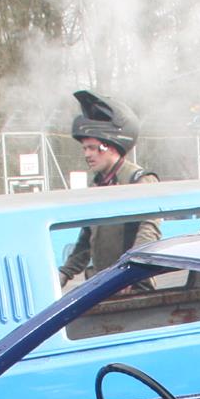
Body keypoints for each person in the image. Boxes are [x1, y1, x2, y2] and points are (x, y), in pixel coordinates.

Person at [57, 91, 160, 288]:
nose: (87, 155)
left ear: (111, 146)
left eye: (92, 148)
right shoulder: (97, 186)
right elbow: (86, 240)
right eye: (85, 148)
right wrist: (64, 273)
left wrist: (130, 272)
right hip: (103, 286)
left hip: (134, 288)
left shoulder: (140, 181)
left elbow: (149, 231)